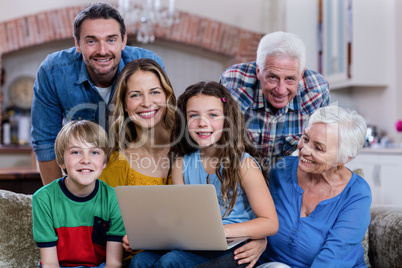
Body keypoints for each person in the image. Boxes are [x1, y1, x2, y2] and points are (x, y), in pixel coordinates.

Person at [127, 81, 279, 268]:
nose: (202, 123)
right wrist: (144, 234)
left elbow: (270, 223)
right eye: (193, 116)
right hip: (196, 241)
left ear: (227, 119)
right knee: (140, 260)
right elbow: (179, 218)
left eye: (213, 115)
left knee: (171, 263)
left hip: (234, 244)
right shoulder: (181, 164)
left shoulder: (243, 164)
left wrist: (219, 231)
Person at [31, 2, 165, 185]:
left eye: (111, 40)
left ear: (123, 40)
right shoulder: (53, 71)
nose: (103, 51)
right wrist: (59, 200)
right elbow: (45, 141)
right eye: (92, 41)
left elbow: (162, 129)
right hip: (83, 177)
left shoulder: (148, 65)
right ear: (78, 43)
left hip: (135, 175)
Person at [256, 106, 371, 268]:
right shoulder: (280, 171)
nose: (305, 150)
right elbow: (254, 216)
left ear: (343, 159)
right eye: (305, 138)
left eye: (318, 148)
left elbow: (333, 258)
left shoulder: (357, 194)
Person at [219, 31, 330, 169]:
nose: (281, 90)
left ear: (301, 74)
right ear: (259, 71)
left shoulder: (317, 92)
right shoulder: (233, 84)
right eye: (273, 77)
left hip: (286, 176)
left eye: (290, 78)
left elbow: (324, 148)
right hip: (240, 171)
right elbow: (216, 139)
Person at [32, 120, 125, 268]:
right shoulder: (43, 199)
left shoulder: (115, 199)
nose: (86, 160)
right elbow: (50, 263)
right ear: (61, 161)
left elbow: (113, 263)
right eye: (76, 152)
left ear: (105, 162)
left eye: (94, 152)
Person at [99, 58, 176, 187]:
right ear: (124, 104)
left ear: (167, 96)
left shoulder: (190, 149)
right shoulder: (113, 165)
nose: (146, 103)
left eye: (155, 92)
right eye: (135, 95)